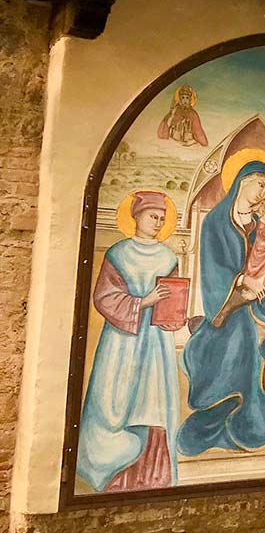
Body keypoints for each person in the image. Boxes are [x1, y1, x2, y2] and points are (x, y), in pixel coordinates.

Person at [177, 155, 265, 456]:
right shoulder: (216, 220)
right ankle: (238, 414)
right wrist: (243, 287)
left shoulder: (260, 223)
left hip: (264, 296)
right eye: (261, 184)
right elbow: (214, 269)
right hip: (230, 303)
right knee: (247, 335)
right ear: (243, 182)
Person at [76, 190, 181, 493]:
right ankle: (112, 474)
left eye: (162, 218)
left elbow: (172, 301)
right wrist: (143, 301)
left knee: (153, 402)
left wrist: (176, 314)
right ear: (137, 216)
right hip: (122, 342)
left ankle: (150, 475)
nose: (158, 223)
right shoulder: (118, 254)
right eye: (153, 216)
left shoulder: (168, 257)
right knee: (115, 403)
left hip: (155, 345)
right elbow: (104, 298)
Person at [211, 188, 265, 328]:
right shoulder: (258, 219)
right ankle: (230, 306)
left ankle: (251, 295)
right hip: (256, 255)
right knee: (250, 275)